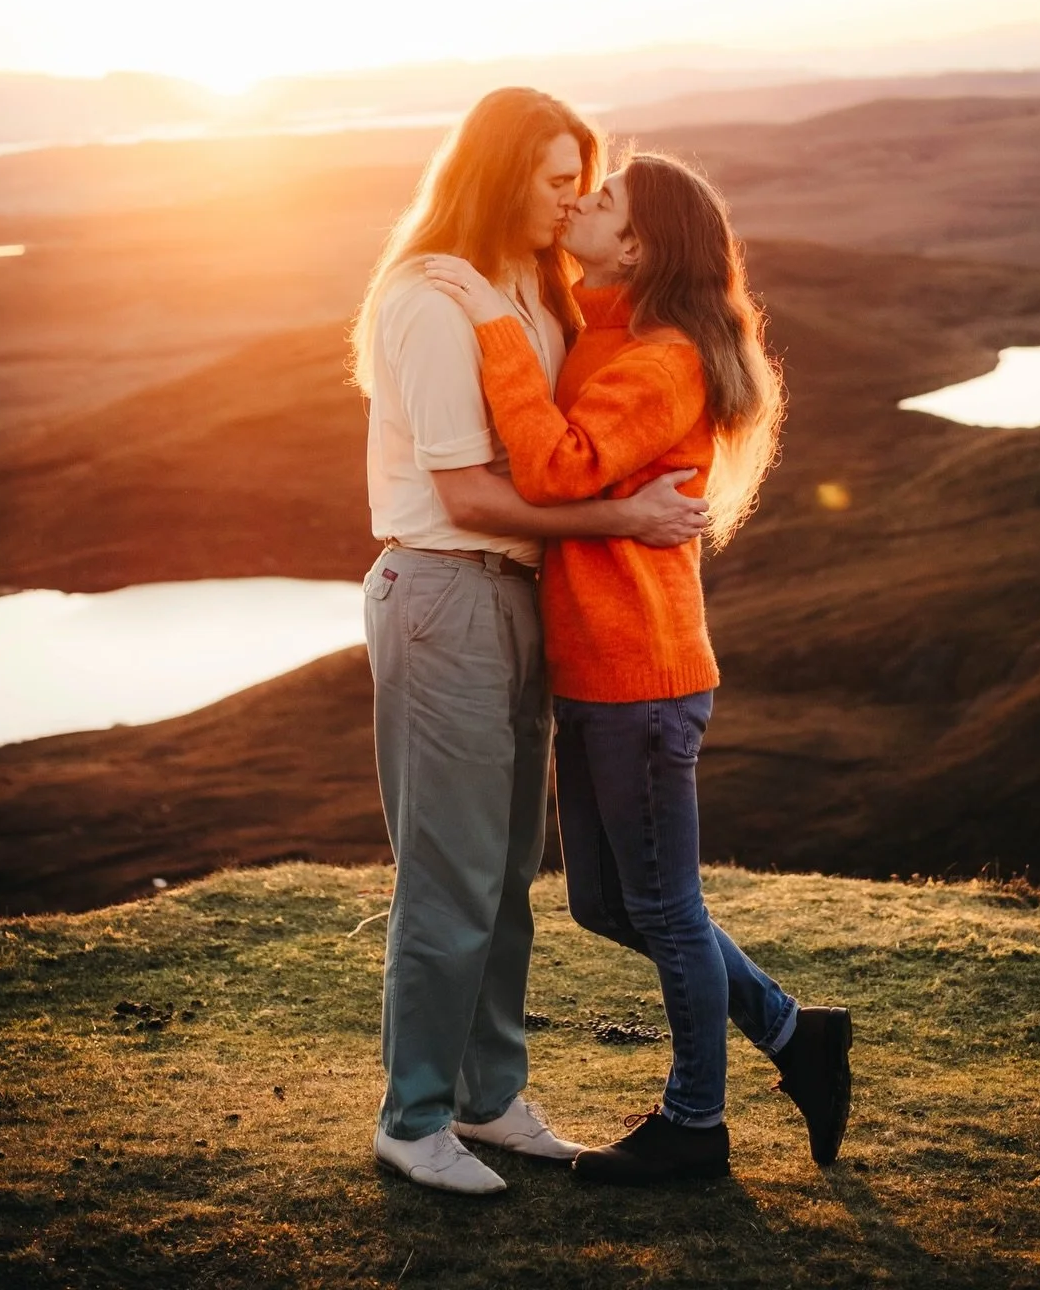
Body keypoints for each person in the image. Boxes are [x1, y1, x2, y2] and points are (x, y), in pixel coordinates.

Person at [426, 151, 853, 1185]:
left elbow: (557, 466)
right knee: (606, 907)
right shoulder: (613, 325)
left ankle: (696, 1125)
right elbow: (571, 315)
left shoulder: (661, 362)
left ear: (639, 245)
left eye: (604, 198)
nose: (582, 201)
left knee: (661, 908)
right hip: (602, 675)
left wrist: (488, 324)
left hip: (643, 680)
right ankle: (798, 1038)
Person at [350, 90, 710, 1196]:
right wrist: (623, 521)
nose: (572, 198)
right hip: (447, 590)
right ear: (502, 173)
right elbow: (467, 493)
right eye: (557, 177)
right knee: (450, 877)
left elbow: (577, 433)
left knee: (507, 872)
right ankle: (413, 1119)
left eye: (581, 179)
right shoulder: (429, 297)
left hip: (519, 600)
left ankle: (489, 1097)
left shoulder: (535, 292)